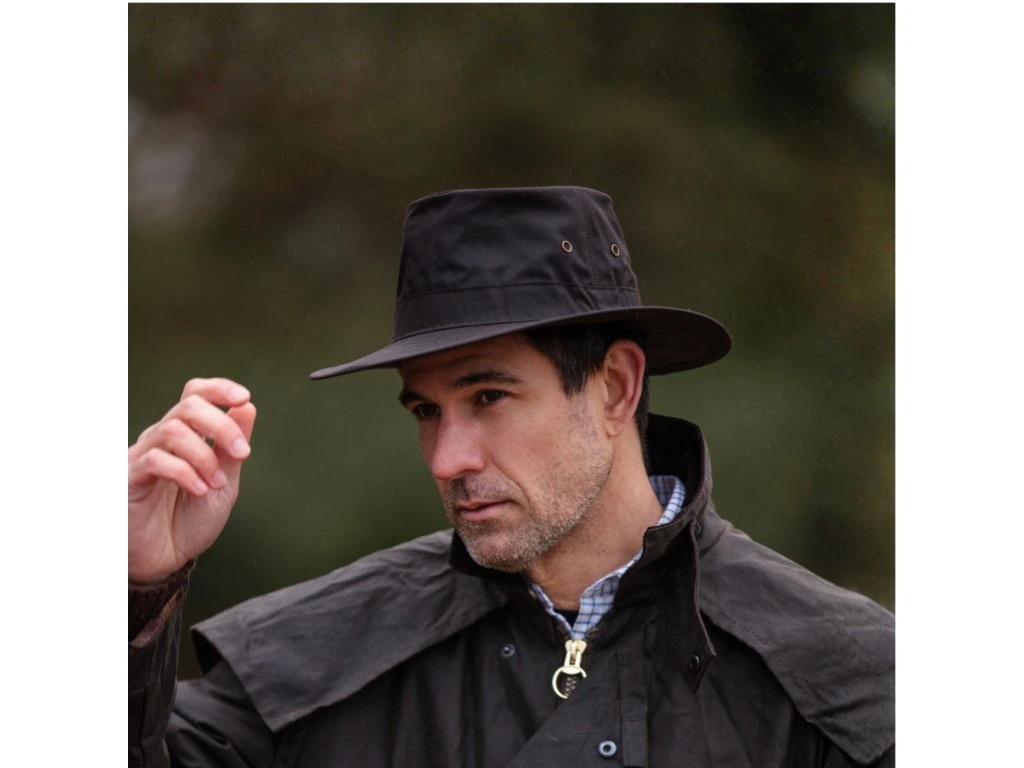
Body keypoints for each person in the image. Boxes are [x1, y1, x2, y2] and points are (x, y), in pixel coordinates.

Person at [128, 186, 895, 767]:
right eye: (425, 411)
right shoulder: (319, 658)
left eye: (489, 397)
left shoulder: (843, 679)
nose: (446, 459)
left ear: (616, 388)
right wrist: (135, 586)